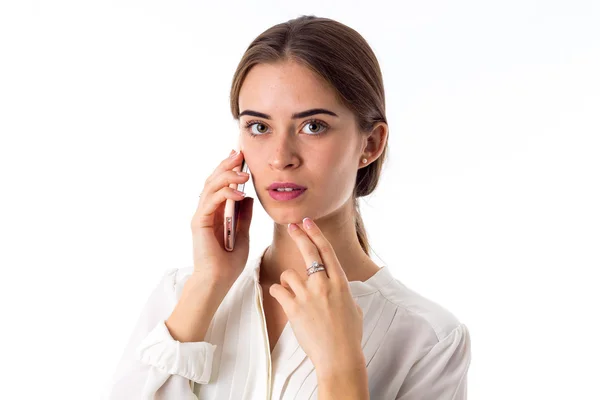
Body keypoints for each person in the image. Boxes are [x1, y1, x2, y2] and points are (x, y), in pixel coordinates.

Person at [108, 15, 471, 400]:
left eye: (312, 126)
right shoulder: (182, 293)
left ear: (370, 144)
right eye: (260, 127)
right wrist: (209, 284)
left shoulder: (429, 339)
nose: (280, 157)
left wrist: (341, 367)